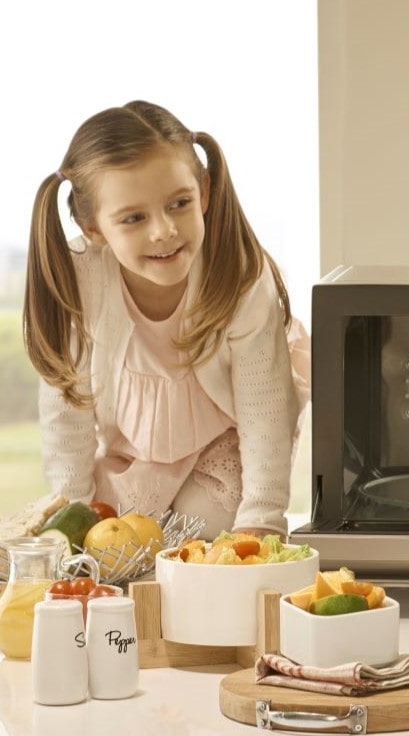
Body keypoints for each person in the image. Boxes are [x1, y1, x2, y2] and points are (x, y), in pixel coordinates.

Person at [23, 100, 309, 538]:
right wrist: (74, 519)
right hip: (135, 455)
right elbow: (67, 416)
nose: (163, 230)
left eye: (179, 203)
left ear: (205, 193)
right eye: (134, 218)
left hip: (222, 446)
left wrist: (262, 521)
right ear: (94, 228)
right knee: (123, 540)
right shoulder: (80, 279)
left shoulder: (239, 275)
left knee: (202, 531)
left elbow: (264, 412)